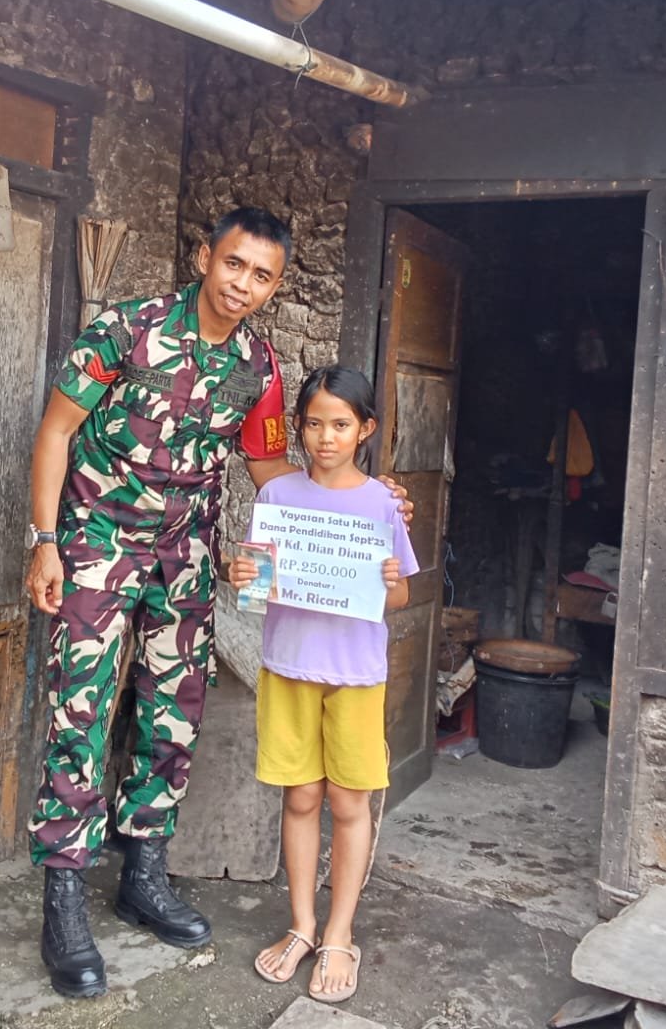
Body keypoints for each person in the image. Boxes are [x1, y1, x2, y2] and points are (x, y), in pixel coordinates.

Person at [22, 208, 297, 999]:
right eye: (234, 264)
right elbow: (56, 432)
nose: (243, 284)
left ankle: (143, 874)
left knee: (172, 713)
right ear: (205, 257)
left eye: (262, 276)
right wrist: (45, 540)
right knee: (80, 711)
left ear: (274, 287)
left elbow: (269, 470)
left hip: (186, 556)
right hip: (97, 545)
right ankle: (64, 900)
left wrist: (358, 502)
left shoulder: (256, 365)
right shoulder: (128, 329)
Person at [228, 365, 418, 1005]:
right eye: (314, 424)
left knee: (348, 802)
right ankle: (302, 924)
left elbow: (400, 595)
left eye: (341, 424)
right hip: (288, 665)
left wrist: (388, 581)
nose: (326, 437)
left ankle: (340, 933)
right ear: (299, 428)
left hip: (355, 674)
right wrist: (242, 573)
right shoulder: (277, 497)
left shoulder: (382, 504)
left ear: (365, 429)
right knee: (302, 796)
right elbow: (259, 584)